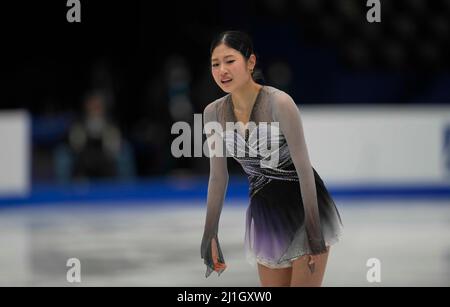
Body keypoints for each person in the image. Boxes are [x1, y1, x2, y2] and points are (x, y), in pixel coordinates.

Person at [200, 31, 343, 287]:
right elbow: (218, 177)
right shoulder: (213, 114)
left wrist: (313, 232)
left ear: (250, 62)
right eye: (215, 64)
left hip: (304, 212)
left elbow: (303, 170)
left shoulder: (279, 103)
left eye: (230, 61)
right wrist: (210, 234)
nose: (222, 70)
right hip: (266, 217)